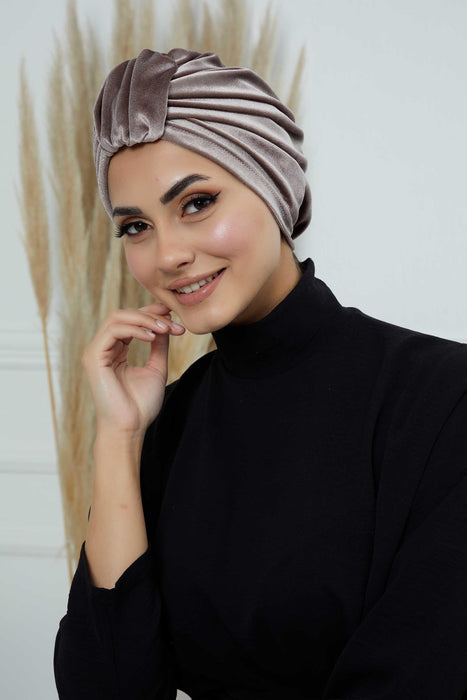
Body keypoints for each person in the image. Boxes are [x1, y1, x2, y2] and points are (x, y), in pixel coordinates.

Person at [53, 48, 467, 700]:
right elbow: (107, 686)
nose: (168, 254)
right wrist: (118, 436)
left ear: (274, 186)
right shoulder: (167, 424)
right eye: (135, 226)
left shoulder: (443, 401)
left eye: (196, 203)